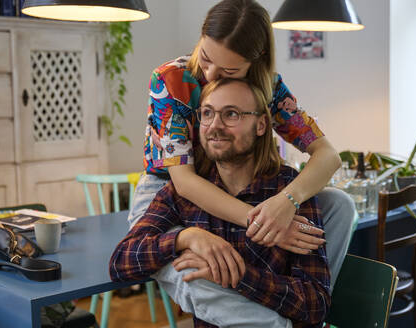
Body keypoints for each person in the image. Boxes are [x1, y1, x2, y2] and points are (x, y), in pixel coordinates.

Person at [131, 0, 355, 287]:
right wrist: (264, 223)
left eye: (228, 71)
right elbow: (184, 182)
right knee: (198, 273)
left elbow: (328, 156)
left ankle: (316, 299)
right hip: (170, 191)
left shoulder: (269, 87)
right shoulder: (170, 79)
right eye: (206, 58)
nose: (210, 75)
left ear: (256, 60)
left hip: (240, 191)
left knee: (339, 205)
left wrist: (286, 202)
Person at [111, 78, 330, 327]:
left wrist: (238, 275)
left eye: (231, 114)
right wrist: (187, 238)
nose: (215, 126)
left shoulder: (291, 192)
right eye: (207, 113)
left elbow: (316, 305)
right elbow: (121, 261)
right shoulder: (184, 193)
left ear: (260, 125)